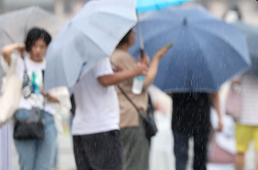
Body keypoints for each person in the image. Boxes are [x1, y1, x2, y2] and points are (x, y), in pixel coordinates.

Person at [71, 36, 148, 170]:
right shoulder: (98, 52)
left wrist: (112, 72)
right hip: (102, 128)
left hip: (81, 129)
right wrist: (132, 72)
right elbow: (104, 80)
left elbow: (95, 80)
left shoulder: (77, 56)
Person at [110, 28, 169, 170]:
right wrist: (156, 59)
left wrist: (142, 67)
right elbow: (142, 84)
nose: (135, 34)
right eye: (132, 32)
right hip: (131, 118)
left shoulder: (114, 56)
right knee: (136, 163)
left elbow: (134, 82)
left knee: (125, 161)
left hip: (120, 116)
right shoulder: (123, 57)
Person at [1, 28, 59, 170]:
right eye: (34, 45)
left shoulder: (51, 65)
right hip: (25, 116)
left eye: (42, 46)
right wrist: (18, 46)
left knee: (44, 166)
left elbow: (61, 96)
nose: (38, 50)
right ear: (29, 46)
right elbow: (5, 52)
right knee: (27, 165)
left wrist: (49, 95)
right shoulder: (19, 63)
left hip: (47, 116)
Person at [172, 91, 224, 170]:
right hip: (201, 117)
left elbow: (169, 91)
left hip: (180, 117)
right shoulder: (205, 79)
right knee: (200, 159)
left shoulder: (176, 79)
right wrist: (219, 117)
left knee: (181, 158)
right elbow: (214, 93)